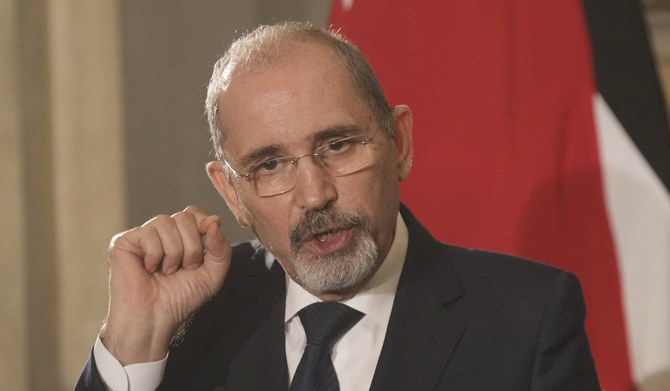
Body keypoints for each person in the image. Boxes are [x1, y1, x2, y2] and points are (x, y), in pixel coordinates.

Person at [75, 22, 600, 390]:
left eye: (337, 145)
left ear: (399, 142)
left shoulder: (526, 319)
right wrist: (132, 344)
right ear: (232, 193)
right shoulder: (189, 320)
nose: (314, 195)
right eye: (270, 165)